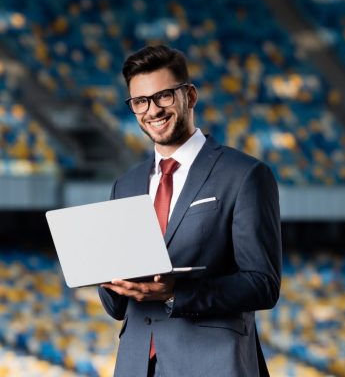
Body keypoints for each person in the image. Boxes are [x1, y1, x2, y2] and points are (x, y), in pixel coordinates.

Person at [98, 45, 282, 377]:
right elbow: (117, 308)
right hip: (135, 366)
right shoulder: (124, 186)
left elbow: (263, 284)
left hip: (211, 363)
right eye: (140, 101)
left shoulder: (244, 175)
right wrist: (105, 277)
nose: (152, 110)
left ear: (190, 95)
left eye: (164, 96)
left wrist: (176, 293)